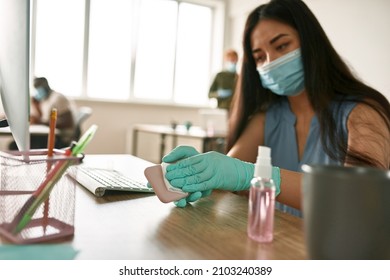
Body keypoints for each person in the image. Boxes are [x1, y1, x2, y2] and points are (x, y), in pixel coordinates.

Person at [154, 0, 390, 212]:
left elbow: (358, 199)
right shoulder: (267, 118)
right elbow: (227, 174)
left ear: (311, 42)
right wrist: (200, 174)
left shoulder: (363, 113)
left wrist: (250, 175)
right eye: (259, 57)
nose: (271, 62)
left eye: (282, 46)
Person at [9, 77, 76, 150]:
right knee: (16, 144)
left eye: (38, 87)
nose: (37, 91)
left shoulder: (58, 98)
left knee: (17, 146)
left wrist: (40, 122)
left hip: (60, 137)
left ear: (45, 86)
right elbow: (44, 118)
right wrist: (36, 106)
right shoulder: (45, 99)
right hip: (48, 135)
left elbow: (67, 122)